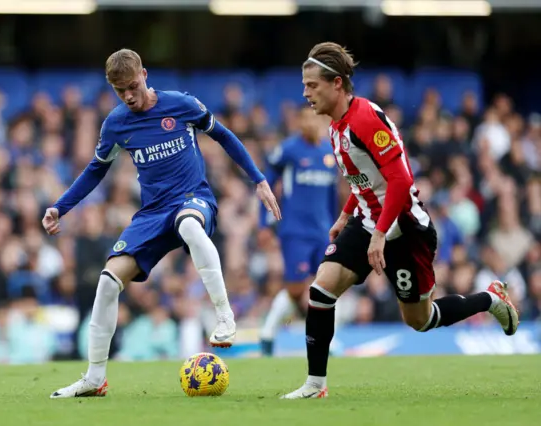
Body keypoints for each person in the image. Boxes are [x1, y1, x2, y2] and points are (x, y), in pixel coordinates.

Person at [281, 42, 519, 399]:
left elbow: (401, 180)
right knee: (322, 288)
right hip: (368, 221)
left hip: (406, 229)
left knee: (419, 320)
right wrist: (345, 216)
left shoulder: (365, 118)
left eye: (312, 85)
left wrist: (380, 235)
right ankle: (316, 384)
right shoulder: (335, 126)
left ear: (336, 84)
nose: (305, 93)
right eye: (304, 85)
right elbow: (362, 180)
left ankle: (489, 299)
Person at [43, 48, 281, 398]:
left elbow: (224, 136)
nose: (128, 95)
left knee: (188, 225)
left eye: (132, 85)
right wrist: (60, 207)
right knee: (108, 282)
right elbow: (95, 170)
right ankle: (95, 378)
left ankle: (224, 316)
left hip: (193, 198)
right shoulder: (116, 124)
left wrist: (258, 179)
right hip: (152, 213)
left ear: (145, 75)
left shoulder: (181, 104)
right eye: (120, 90)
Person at [258, 106, 339, 356]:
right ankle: (269, 332)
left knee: (324, 284)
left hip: (322, 230)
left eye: (315, 117)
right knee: (295, 287)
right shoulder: (289, 150)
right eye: (304, 118)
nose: (310, 123)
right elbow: (266, 183)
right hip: (296, 231)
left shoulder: (329, 152)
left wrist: (335, 224)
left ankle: (322, 337)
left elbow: (331, 196)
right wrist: (265, 222)